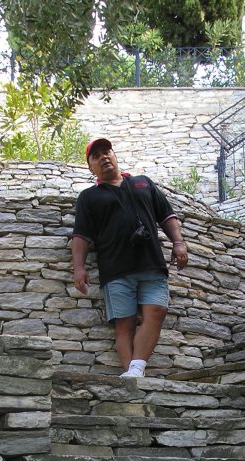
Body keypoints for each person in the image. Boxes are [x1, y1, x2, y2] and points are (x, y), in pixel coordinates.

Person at [71, 137, 189, 378]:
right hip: (115, 269)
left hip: (152, 265)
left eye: (107, 151)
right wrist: (78, 267)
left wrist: (178, 242)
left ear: (115, 155)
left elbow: (167, 215)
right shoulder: (89, 197)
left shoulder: (142, 183)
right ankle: (133, 376)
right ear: (91, 168)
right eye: (96, 156)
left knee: (157, 311)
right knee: (124, 324)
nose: (104, 157)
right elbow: (81, 235)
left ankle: (135, 370)